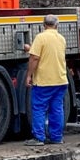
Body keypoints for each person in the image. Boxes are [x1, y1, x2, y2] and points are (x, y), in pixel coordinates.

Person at [24, 14, 68, 146]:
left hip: (44, 81)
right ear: (57, 25)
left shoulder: (40, 38)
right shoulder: (61, 39)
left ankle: (39, 138)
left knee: (39, 108)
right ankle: (56, 137)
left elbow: (35, 58)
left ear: (43, 25)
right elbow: (51, 52)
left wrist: (29, 75)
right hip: (60, 80)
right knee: (57, 109)